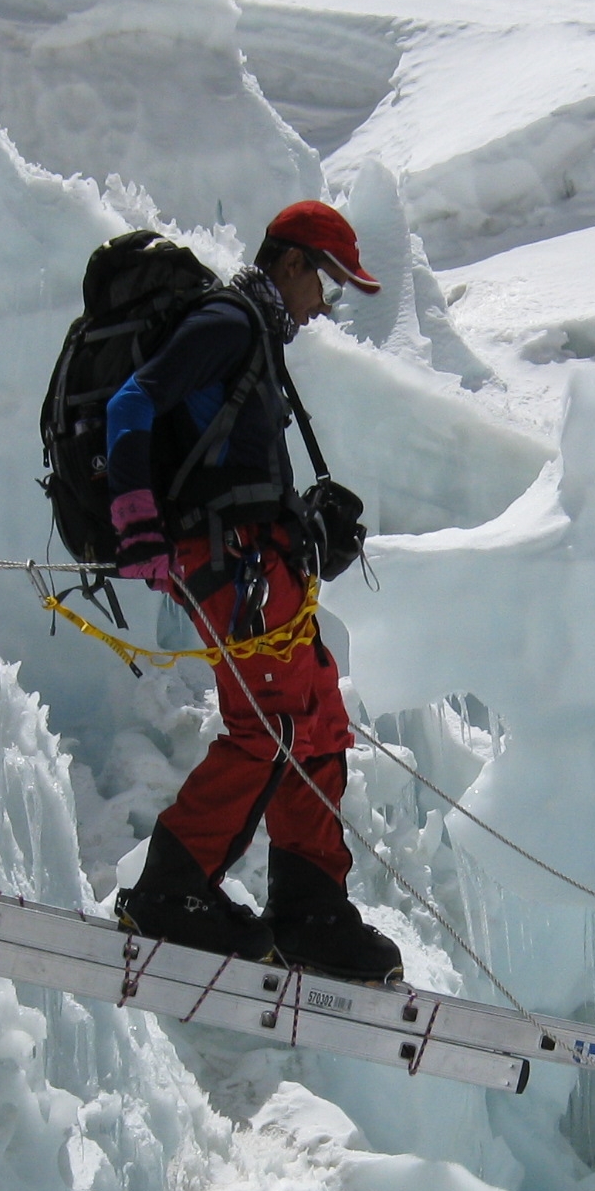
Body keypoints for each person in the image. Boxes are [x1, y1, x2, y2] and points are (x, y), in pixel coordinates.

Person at [105, 201, 404, 984]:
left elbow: (230, 465)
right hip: (226, 561)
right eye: (327, 286)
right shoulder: (228, 323)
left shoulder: (254, 339)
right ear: (294, 263)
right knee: (267, 725)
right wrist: (136, 519)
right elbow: (132, 402)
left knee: (317, 715)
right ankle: (170, 892)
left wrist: (302, 523)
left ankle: (310, 912)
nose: (325, 307)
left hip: (260, 560)